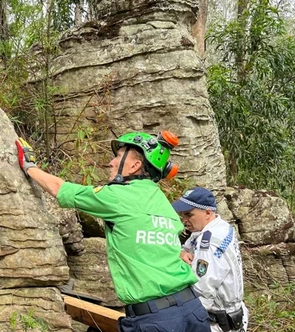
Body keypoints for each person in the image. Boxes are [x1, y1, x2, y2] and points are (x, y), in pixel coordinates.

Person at [15, 132, 210, 332]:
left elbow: (60, 189)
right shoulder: (163, 203)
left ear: (134, 166)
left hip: (155, 320)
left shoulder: (118, 196)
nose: (111, 162)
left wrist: (30, 167)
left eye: (118, 157)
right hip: (192, 311)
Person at [172, 187, 248, 332]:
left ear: (207, 212)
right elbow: (188, 247)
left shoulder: (210, 242)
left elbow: (202, 291)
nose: (184, 220)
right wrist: (181, 252)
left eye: (189, 214)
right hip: (230, 317)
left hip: (218, 323)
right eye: (182, 215)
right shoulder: (216, 227)